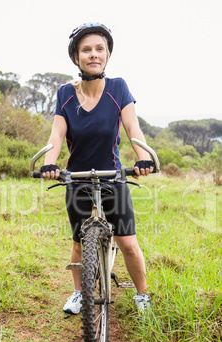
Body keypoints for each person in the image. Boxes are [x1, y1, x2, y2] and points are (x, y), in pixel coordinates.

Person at [41, 22, 155, 315]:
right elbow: (56, 135)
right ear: (76, 57)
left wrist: (143, 157)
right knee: (80, 243)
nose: (93, 54)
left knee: (128, 242)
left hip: (113, 177)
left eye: (99, 49)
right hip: (76, 179)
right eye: (86, 49)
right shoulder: (65, 93)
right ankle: (79, 292)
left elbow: (133, 128)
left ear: (107, 54)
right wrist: (49, 163)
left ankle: (142, 295)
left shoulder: (118, 87)